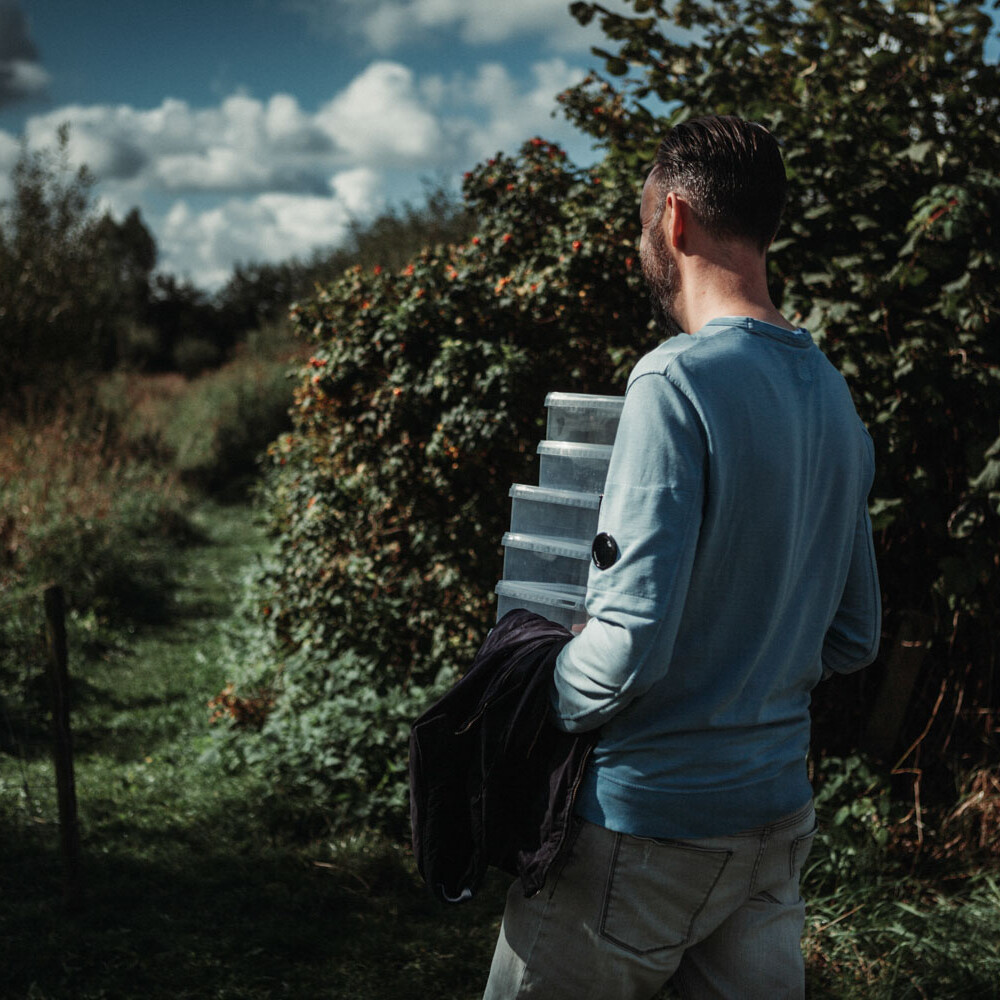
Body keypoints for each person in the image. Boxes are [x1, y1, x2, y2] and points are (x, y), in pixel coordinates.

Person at [483, 115, 881, 1000]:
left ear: (673, 220)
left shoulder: (674, 381)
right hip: (773, 824)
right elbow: (854, 634)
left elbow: (627, 649)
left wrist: (527, 690)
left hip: (643, 832)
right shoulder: (831, 391)